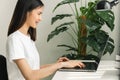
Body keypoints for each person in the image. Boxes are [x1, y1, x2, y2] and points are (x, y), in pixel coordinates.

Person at [6, 0, 85, 80]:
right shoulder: (14, 39)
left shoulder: (28, 37)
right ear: (27, 12)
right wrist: (60, 65)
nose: (41, 18)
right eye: (39, 13)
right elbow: (30, 76)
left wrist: (59, 64)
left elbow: (35, 69)